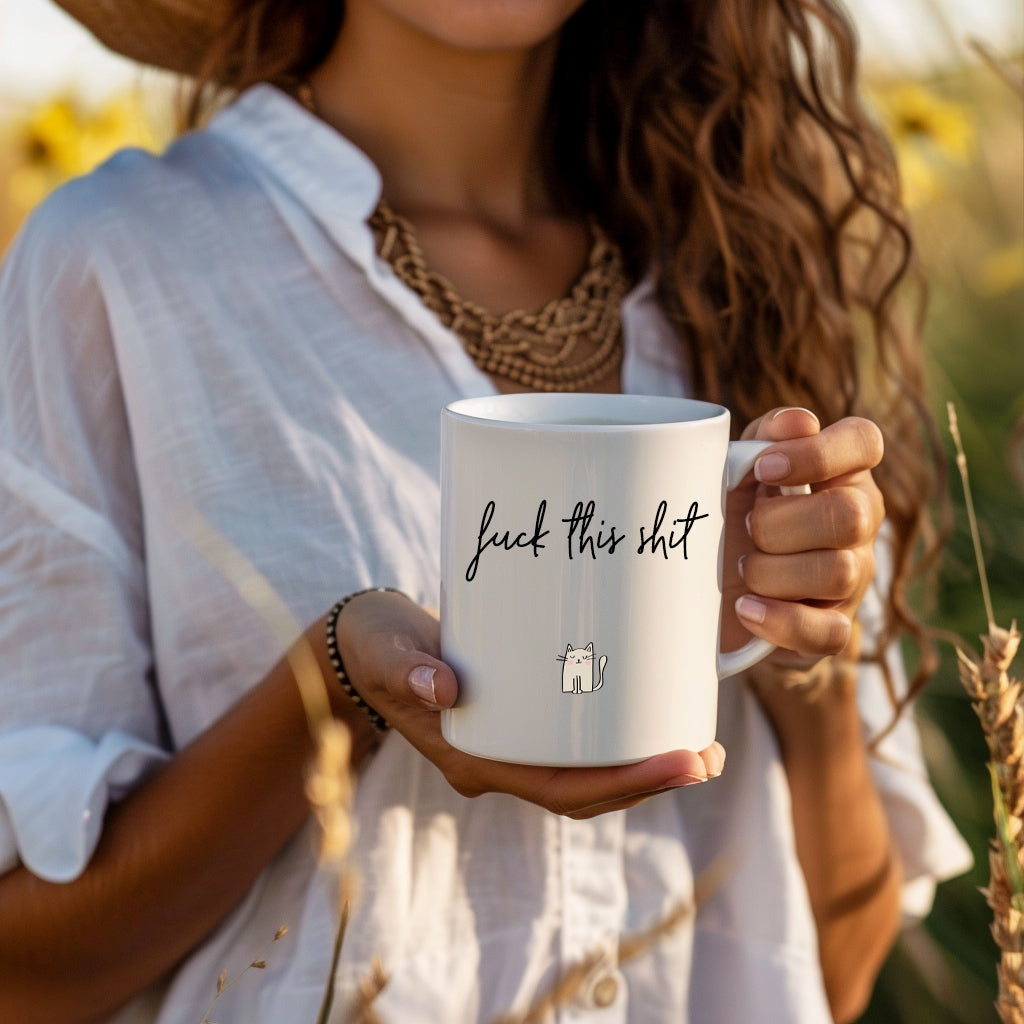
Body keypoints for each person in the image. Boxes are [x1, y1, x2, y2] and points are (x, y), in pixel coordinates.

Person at [0, 1, 972, 1022]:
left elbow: (833, 969)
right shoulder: (119, 262)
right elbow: (23, 975)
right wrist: (334, 688)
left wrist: (790, 638)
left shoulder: (740, 265)